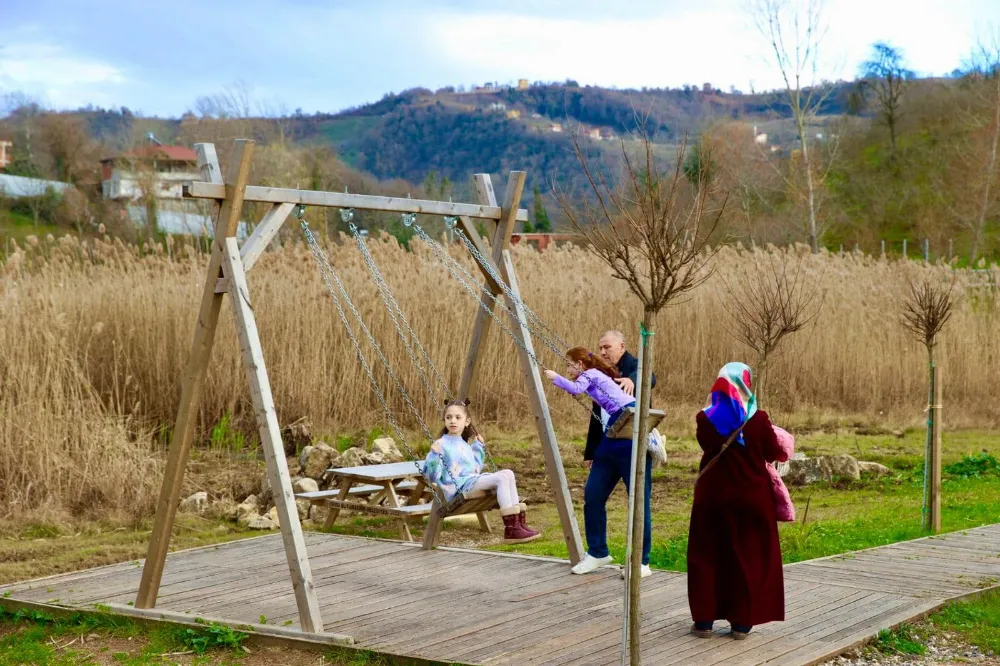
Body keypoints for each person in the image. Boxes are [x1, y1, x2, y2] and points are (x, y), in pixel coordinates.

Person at [687, 362, 788, 640]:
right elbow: (772, 452)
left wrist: (711, 405)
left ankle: (704, 622)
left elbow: (706, 445)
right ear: (746, 384)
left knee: (706, 556)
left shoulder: (705, 417)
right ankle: (741, 624)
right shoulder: (758, 419)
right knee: (749, 558)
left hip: (711, 498)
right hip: (752, 498)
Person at [544, 347, 655, 577]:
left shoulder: (591, 375)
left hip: (628, 428)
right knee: (593, 494)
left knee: (638, 500)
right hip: (610, 435)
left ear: (580, 364)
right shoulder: (598, 376)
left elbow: (574, 389)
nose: (567, 368)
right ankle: (597, 552)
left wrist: (556, 378)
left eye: (569, 365)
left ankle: (641, 561)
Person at [423, 399, 541, 544]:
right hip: (459, 487)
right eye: (449, 417)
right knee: (501, 478)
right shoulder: (441, 444)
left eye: (458, 417)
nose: (453, 421)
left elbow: (475, 469)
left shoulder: (465, 444)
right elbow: (431, 475)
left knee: (508, 473)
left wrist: (478, 447)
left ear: (467, 422)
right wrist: (434, 455)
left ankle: (519, 524)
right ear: (445, 420)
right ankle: (511, 529)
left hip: (471, 480)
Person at [585, 331, 658, 466]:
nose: (602, 352)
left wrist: (632, 380)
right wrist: (591, 452)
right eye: (600, 348)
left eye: (607, 347)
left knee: (637, 485)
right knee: (594, 488)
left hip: (633, 439)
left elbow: (651, 377)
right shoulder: (600, 372)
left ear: (622, 347)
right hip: (608, 439)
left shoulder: (635, 365)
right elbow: (596, 414)